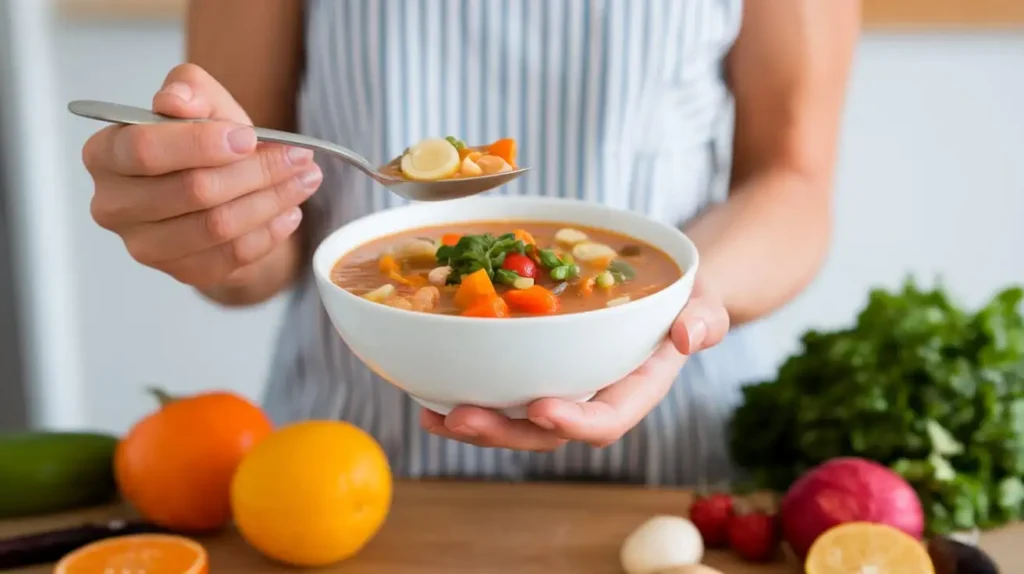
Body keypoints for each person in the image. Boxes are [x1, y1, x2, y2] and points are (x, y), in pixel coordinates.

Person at [81, 0, 859, 485]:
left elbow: (792, 181)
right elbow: (252, 239)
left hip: (672, 467)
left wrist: (689, 298)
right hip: (342, 482)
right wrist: (217, 221)